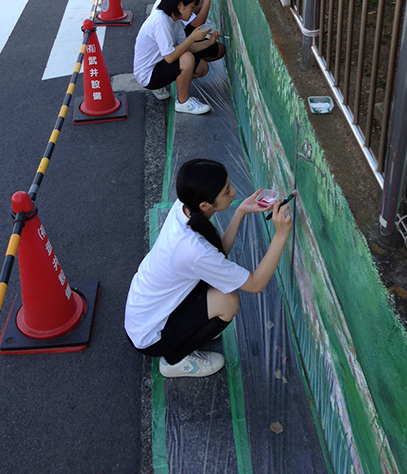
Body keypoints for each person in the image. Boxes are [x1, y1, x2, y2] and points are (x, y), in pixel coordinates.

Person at [124, 158, 293, 378]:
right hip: (150, 337)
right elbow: (256, 284)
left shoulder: (184, 206)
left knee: (217, 288)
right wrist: (281, 234)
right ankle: (173, 361)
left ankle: (194, 328)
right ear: (205, 206)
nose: (233, 192)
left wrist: (240, 211)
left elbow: (214, 256)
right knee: (228, 301)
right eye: (226, 190)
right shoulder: (192, 249)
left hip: (145, 313)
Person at [133, 0, 220, 114]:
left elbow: (185, 46)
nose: (192, 12)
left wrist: (208, 42)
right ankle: (183, 102)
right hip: (148, 75)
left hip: (158, 64)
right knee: (187, 58)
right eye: (191, 7)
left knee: (202, 68)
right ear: (180, 6)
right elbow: (170, 57)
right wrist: (192, 38)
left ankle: (169, 87)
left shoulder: (174, 19)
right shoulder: (160, 21)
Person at [152, 0, 225, 63]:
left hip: (173, 44)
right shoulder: (163, 18)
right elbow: (197, 23)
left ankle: (192, 63)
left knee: (199, 58)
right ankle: (191, 63)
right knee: (192, 59)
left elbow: (192, 12)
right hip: (163, 56)